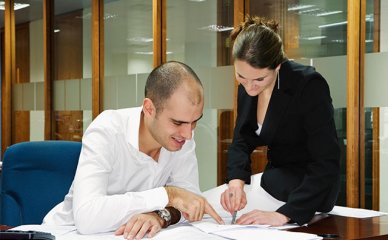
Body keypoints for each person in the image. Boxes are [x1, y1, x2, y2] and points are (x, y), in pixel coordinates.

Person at [43, 61, 224, 239]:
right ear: (149, 109)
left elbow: (189, 205)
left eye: (195, 122)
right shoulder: (107, 130)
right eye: (177, 122)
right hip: (66, 233)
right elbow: (87, 218)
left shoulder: (181, 139)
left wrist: (159, 216)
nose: (188, 134)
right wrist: (167, 195)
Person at [220, 15, 341, 226]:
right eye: (241, 77)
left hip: (310, 191)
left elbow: (326, 161)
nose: (249, 87)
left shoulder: (308, 85)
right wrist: (236, 182)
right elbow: (242, 137)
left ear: (278, 66)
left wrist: (285, 214)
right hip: (276, 183)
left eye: (259, 79)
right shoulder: (248, 85)